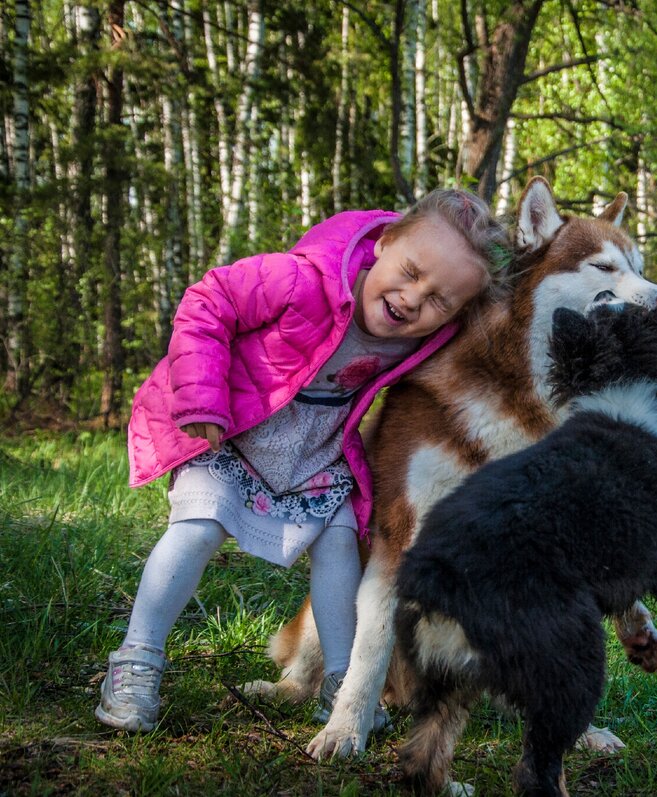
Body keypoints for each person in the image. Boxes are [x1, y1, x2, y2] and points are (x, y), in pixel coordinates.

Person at [97, 189, 509, 732]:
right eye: (409, 272)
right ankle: (136, 661)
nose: (413, 299)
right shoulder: (302, 280)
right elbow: (208, 301)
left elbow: (497, 342)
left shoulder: (427, 340)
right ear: (383, 244)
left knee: (339, 545)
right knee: (196, 528)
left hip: (312, 455)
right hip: (233, 431)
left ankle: (341, 683)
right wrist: (200, 394)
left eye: (439, 300)